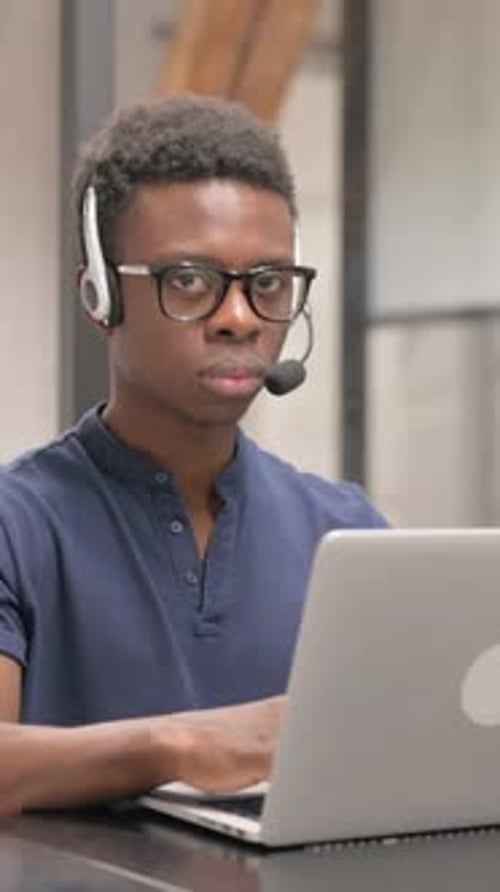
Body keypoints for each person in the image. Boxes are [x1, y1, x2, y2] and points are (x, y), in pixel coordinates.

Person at [0, 95, 386, 815]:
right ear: (99, 293)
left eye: (267, 283)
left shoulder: (348, 530)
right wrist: (177, 747)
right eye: (189, 281)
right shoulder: (16, 525)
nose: (238, 318)